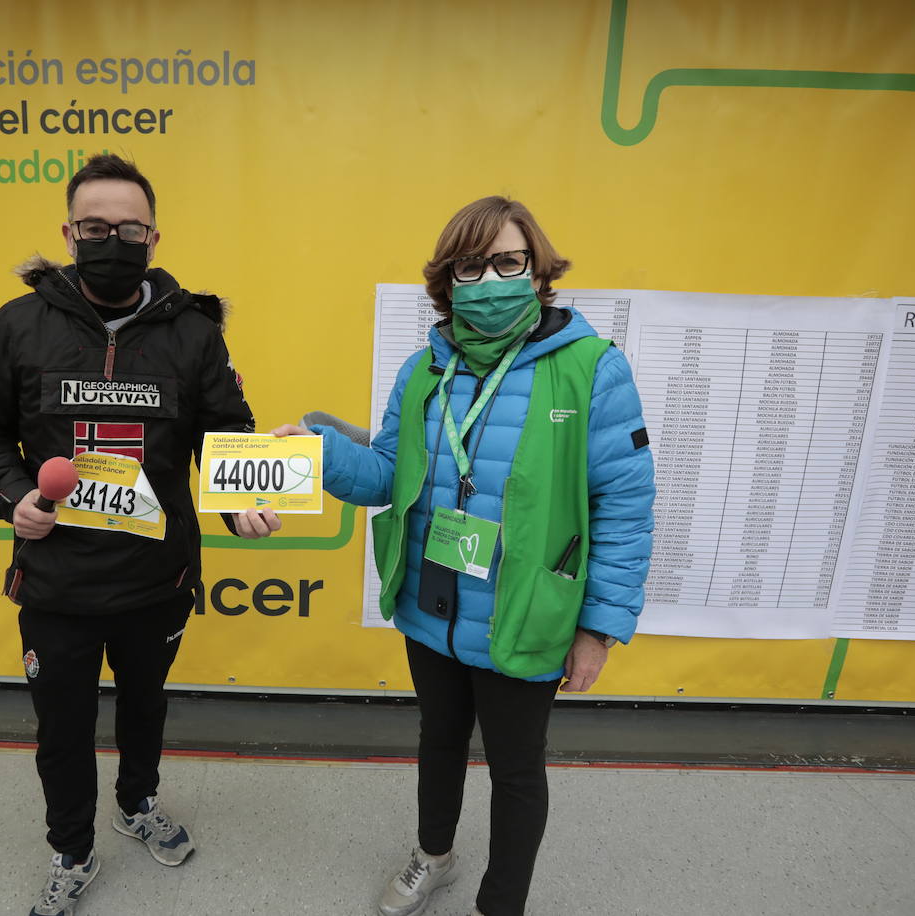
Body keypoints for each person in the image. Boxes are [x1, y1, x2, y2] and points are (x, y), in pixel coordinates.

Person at [274, 196, 654, 916]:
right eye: (469, 267)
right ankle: (433, 857)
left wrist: (597, 628)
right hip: (433, 599)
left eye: (507, 262)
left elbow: (625, 509)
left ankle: (499, 904)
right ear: (446, 281)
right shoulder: (423, 370)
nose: (488, 281)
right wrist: (318, 451)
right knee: (439, 739)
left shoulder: (592, 369)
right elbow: (386, 474)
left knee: (515, 770)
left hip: (527, 610)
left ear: (537, 270)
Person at [0, 153, 281, 916]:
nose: (112, 238)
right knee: (61, 729)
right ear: (69, 234)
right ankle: (71, 849)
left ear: (154, 238)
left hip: (155, 581)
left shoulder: (195, 332)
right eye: (95, 226)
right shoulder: (18, 325)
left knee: (145, 705)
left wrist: (243, 505)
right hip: (57, 581)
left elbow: (227, 433)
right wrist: (12, 496)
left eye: (128, 227)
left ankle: (137, 805)